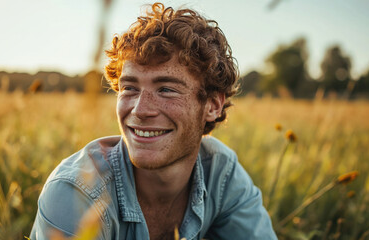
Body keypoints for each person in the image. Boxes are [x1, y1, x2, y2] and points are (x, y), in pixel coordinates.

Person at [30, 2, 277, 239]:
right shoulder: (77, 193)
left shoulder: (221, 173)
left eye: (166, 89)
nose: (140, 110)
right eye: (129, 88)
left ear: (212, 106)